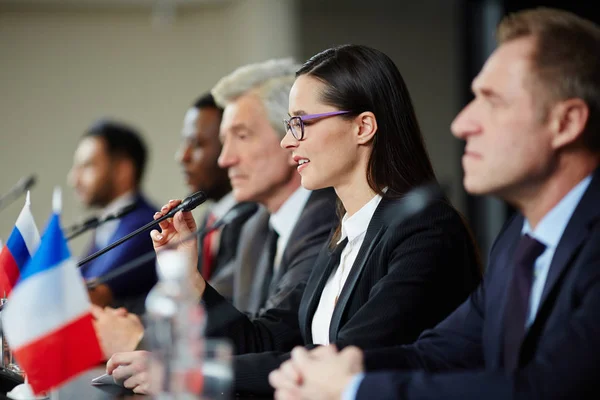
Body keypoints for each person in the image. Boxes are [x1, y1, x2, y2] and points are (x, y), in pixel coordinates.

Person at [105, 47, 481, 395]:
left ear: (363, 127)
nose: (288, 141)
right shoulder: (346, 231)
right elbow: (269, 340)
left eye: (301, 123)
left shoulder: (426, 231)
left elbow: (345, 362)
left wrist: (189, 373)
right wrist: (189, 276)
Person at [269, 7, 600, 400]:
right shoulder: (518, 240)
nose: (461, 124)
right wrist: (346, 369)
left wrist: (355, 388)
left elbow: (550, 389)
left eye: (492, 101)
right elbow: (441, 352)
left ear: (566, 123)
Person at [68, 119, 157, 312]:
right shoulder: (108, 221)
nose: (74, 179)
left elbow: (91, 296)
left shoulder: (144, 226)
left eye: (88, 166)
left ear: (122, 170)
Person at [176, 92, 257, 303]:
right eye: (185, 142)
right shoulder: (210, 217)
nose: (182, 156)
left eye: (197, 144)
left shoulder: (254, 217)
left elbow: (221, 296)